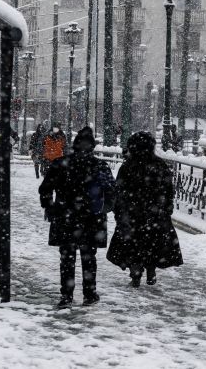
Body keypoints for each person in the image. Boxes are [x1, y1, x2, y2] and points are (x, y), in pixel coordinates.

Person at [39, 127, 115, 308]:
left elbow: (45, 189)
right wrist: (104, 208)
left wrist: (50, 207)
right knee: (89, 256)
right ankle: (89, 293)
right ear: (92, 147)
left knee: (67, 257)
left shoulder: (60, 164)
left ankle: (66, 295)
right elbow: (111, 191)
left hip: (66, 217)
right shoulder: (100, 166)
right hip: (91, 219)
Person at [107, 131, 183, 287]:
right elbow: (168, 188)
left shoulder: (128, 166)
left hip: (133, 213)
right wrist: (166, 207)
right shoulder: (160, 165)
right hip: (155, 213)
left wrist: (120, 211)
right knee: (152, 243)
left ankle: (136, 272)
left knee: (134, 243)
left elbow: (119, 191)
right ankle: (151, 269)